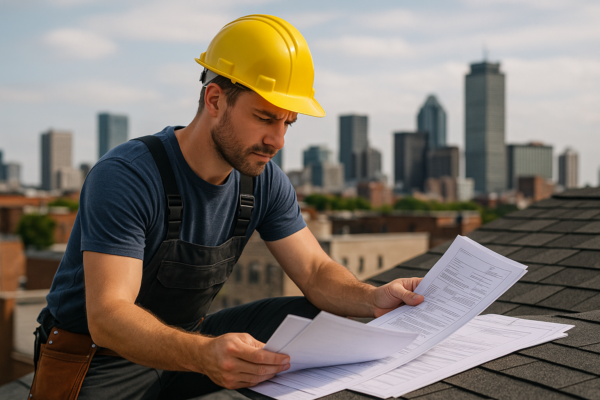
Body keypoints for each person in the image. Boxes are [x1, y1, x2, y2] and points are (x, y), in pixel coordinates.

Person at [29, 14, 424, 399]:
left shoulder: (263, 180)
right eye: (265, 117)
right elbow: (109, 317)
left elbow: (316, 270)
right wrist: (204, 354)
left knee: (312, 320)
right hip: (98, 358)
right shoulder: (128, 175)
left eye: (288, 123)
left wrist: (371, 298)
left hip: (190, 346)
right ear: (215, 99)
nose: (277, 140)